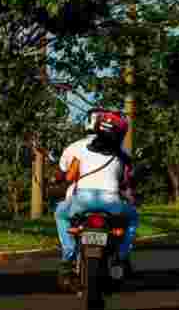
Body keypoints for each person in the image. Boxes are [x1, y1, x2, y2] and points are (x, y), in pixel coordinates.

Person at [55, 109, 140, 285]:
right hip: (112, 203)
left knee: (60, 213)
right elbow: (127, 181)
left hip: (82, 201)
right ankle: (122, 257)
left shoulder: (80, 150)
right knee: (132, 218)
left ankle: (68, 257)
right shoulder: (122, 156)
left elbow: (69, 176)